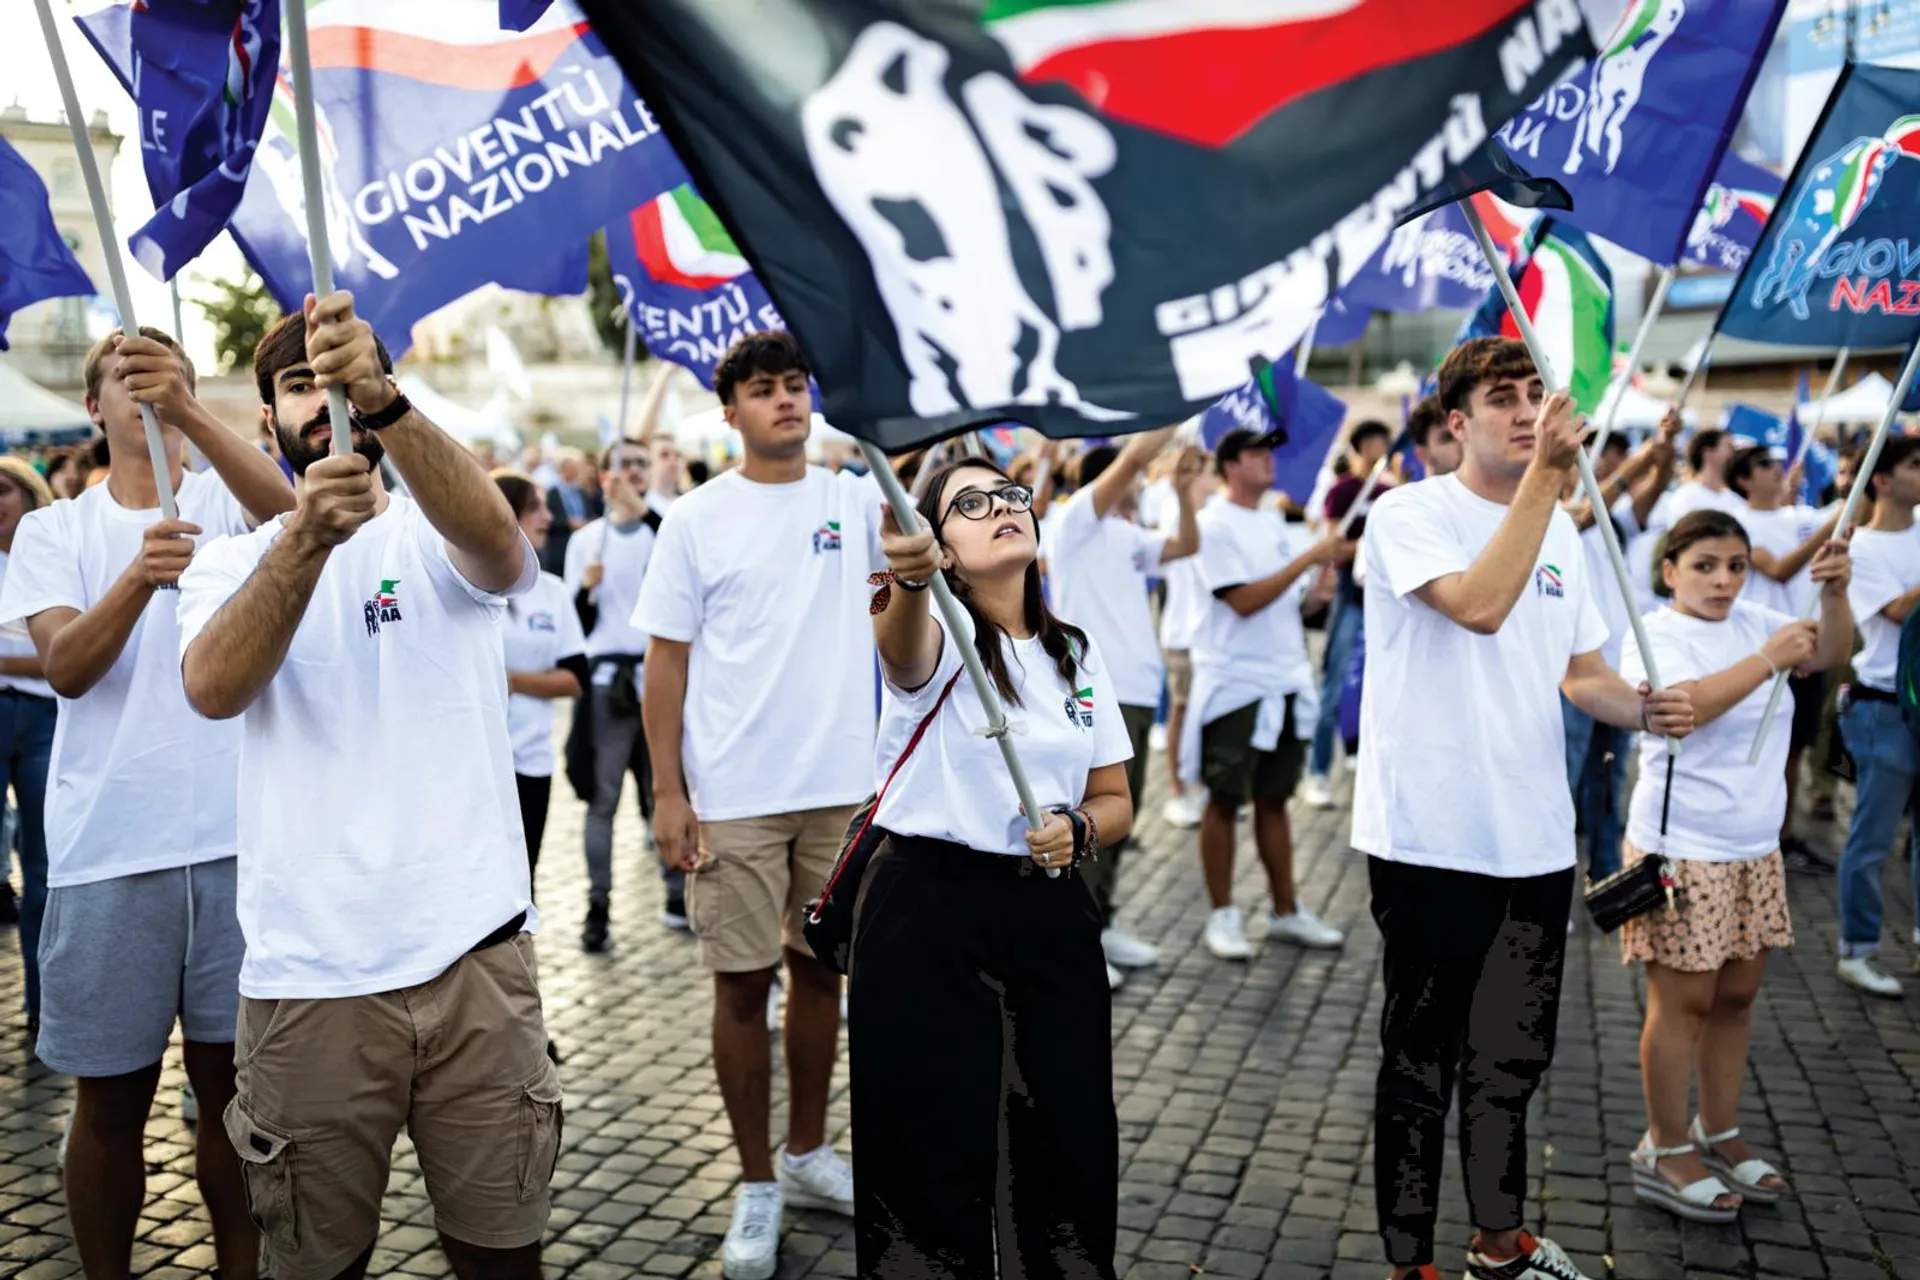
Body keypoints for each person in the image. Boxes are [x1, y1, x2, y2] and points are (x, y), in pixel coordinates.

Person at [177, 294, 558, 1280]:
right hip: (311, 979)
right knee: (312, 1263)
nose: (321, 397)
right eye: (297, 384)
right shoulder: (226, 563)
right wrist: (307, 537)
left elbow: (502, 551)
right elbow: (215, 686)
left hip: (476, 958)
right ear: (269, 422)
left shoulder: (432, 536)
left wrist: (383, 397)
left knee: (503, 1254)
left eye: (335, 374)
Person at [1357, 337, 1695, 1280]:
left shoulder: (1564, 533)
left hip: (1536, 838)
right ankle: (1406, 1258)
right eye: (1502, 397)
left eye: (1536, 394)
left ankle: (1498, 1243)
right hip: (1429, 834)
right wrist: (1549, 478)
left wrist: (1642, 707)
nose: (1526, 410)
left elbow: (1581, 674)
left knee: (1510, 1058)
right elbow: (1478, 605)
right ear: (1455, 422)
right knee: (1420, 1059)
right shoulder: (1407, 513)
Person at [0, 325, 295, 1280]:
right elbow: (67, 669)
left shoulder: (225, 495)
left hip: (237, 841)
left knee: (234, 1099)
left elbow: (296, 510)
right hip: (109, 852)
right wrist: (139, 572)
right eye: (125, 379)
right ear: (94, 408)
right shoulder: (55, 530)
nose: (144, 392)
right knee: (111, 1104)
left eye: (160, 375)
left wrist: (191, 409)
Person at [855, 455, 1133, 1278]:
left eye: (1009, 495)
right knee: (927, 1159)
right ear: (938, 543)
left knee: (1066, 1141)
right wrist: (909, 578)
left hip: (1048, 912)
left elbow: (1115, 795)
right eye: (968, 504)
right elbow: (903, 653)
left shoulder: (1074, 651)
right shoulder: (938, 636)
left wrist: (1079, 829)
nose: (1000, 507)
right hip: (927, 913)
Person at [638, 331, 876, 1280]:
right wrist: (667, 790)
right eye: (764, 389)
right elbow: (667, 661)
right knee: (741, 986)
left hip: (841, 788)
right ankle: (754, 1184)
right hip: (734, 794)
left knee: (822, 978)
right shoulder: (695, 519)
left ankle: (809, 1152)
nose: (786, 400)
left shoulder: (859, 501)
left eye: (795, 385)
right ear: (729, 409)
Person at [1619, 509, 1850, 1222]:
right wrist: (1769, 659)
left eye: (1736, 565)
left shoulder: (1759, 620)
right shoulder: (1653, 632)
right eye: (1705, 566)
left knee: (1737, 999)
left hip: (1754, 847)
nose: (1724, 580)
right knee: (1681, 1005)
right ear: (1670, 571)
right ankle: (1663, 1145)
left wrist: (1836, 594)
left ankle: (1716, 1129)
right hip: (1684, 847)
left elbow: (1830, 652)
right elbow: (1685, 707)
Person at [1041, 426, 1201, 986]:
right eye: (1130, 476)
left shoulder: (1130, 535)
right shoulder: (1076, 522)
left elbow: (1184, 546)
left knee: (1121, 823)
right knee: (1093, 822)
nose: (1139, 482)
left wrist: (1182, 492)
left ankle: (1101, 927)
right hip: (1090, 689)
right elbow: (1134, 453)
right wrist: (1170, 413)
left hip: (1135, 688)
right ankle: (1075, 941)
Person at [1186, 428, 1350, 960]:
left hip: (1283, 679)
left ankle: (1286, 910)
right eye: (1256, 453)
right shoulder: (1213, 524)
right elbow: (1243, 602)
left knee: (1274, 799)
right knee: (1224, 800)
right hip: (1237, 684)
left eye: (1269, 452)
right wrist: (1306, 562)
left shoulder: (1274, 520)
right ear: (1231, 465)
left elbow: (1285, 608)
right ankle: (1223, 915)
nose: (1268, 461)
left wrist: (1314, 595)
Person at [564, 438, 676, 948]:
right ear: (606, 475)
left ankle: (676, 892)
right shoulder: (587, 541)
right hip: (608, 685)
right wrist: (587, 589)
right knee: (603, 800)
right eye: (623, 464)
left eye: (640, 462)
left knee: (666, 791)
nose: (633, 471)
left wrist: (647, 514)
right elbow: (576, 628)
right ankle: (598, 905)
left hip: (656, 679)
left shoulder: (665, 529)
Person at [1560, 416, 1680, 886]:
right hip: (1570, 674)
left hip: (1617, 669)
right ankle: (1552, 879)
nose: (1583, 463)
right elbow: (1587, 510)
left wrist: (1665, 449)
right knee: (1565, 781)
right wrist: (1643, 458)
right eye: (1578, 455)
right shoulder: (1550, 518)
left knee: (1608, 780)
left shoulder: (1614, 523)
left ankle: (1606, 873)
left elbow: (1652, 490)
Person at [1724, 445, 1841, 875]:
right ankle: (1746, 833)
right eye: (1765, 466)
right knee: (1754, 747)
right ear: (1743, 480)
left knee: (1793, 751)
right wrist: (1830, 528)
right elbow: (1778, 569)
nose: (1777, 470)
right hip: (1761, 653)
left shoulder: (1799, 517)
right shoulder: (1736, 523)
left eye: (1778, 464)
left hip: (1805, 650)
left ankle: (1784, 836)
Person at [1832, 435, 1920, 997]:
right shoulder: (1859, 547)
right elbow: (1895, 610)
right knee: (1874, 837)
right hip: (1884, 706)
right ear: (1882, 480)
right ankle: (1856, 949)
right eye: (1915, 465)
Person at [494, 472, 588, 882]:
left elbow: (574, 678)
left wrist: (514, 680)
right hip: (479, 763)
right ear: (505, 514)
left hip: (531, 762)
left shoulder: (553, 592)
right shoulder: (469, 589)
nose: (548, 516)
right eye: (535, 507)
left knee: (524, 878)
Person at [1304, 420, 1395, 807]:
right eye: (1373, 441)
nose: (1380, 448)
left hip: (1383, 596)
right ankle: (1318, 772)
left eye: (1384, 441)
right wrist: (1368, 543)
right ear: (1359, 447)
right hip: (1348, 595)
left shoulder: (1391, 493)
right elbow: (1332, 547)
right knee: (1334, 683)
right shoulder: (1342, 492)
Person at [0, 458, 58, 1032]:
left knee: (43, 867)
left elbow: (63, 660)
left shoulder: (49, 554)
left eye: (3, 491)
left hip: (44, 716)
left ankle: (43, 1004)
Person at [1666, 428, 1743, 524]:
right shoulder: (1687, 498)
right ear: (1708, 453)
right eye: (1729, 447)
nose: (1734, 453)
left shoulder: (1735, 499)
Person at [541, 447, 597, 574]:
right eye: (574, 467)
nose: (577, 470)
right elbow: (547, 520)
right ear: (564, 469)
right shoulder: (551, 493)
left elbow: (589, 513)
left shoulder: (582, 492)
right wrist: (567, 522)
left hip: (582, 548)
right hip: (559, 551)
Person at [1410, 395, 1463, 478]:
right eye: (1448, 438)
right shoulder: (1409, 491)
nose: (1462, 440)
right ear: (1423, 454)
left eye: (1464, 430)